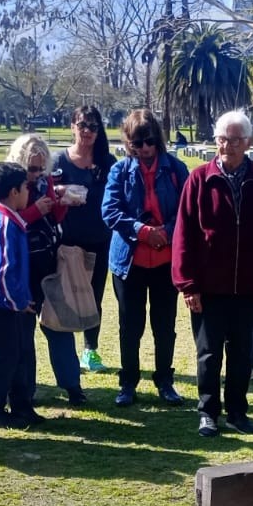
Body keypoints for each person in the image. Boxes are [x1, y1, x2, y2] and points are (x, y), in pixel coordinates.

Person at [171, 109, 253, 437]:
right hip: (208, 287)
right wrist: (188, 285)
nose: (229, 146)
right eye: (223, 139)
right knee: (208, 354)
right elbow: (183, 235)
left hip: (250, 287)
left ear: (248, 142)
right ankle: (208, 412)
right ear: (216, 140)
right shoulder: (199, 179)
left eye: (236, 140)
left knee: (241, 354)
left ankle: (237, 411)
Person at [100, 109, 190, 407]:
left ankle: (165, 380)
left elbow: (188, 210)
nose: (145, 148)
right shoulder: (119, 171)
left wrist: (166, 231)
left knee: (164, 326)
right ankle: (128, 382)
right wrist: (142, 231)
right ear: (128, 142)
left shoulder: (176, 169)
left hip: (165, 261)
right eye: (137, 143)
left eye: (149, 140)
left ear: (158, 139)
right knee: (130, 325)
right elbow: (110, 211)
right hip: (129, 262)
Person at [2, 133, 84, 406]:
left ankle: (72, 385)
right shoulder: (6, 183)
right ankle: (26, 390)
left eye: (41, 168)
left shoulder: (44, 180)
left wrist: (62, 204)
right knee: (23, 333)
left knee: (60, 324)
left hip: (48, 261)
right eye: (31, 168)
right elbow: (3, 221)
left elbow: (54, 218)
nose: (36, 174)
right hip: (21, 264)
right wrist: (35, 210)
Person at [0, 162, 43, 429]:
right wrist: (18, 302)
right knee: (4, 357)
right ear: (14, 191)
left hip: (7, 302)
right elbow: (2, 271)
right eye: (25, 186)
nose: (29, 191)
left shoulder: (10, 219)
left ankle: (21, 406)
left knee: (17, 354)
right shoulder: (3, 223)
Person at [53, 105, 117, 373]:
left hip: (99, 239)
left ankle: (90, 350)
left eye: (93, 126)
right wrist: (61, 191)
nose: (87, 131)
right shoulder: (59, 161)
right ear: (72, 126)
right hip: (67, 240)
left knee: (93, 296)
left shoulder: (107, 162)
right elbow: (44, 192)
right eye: (82, 125)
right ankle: (66, 351)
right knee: (65, 295)